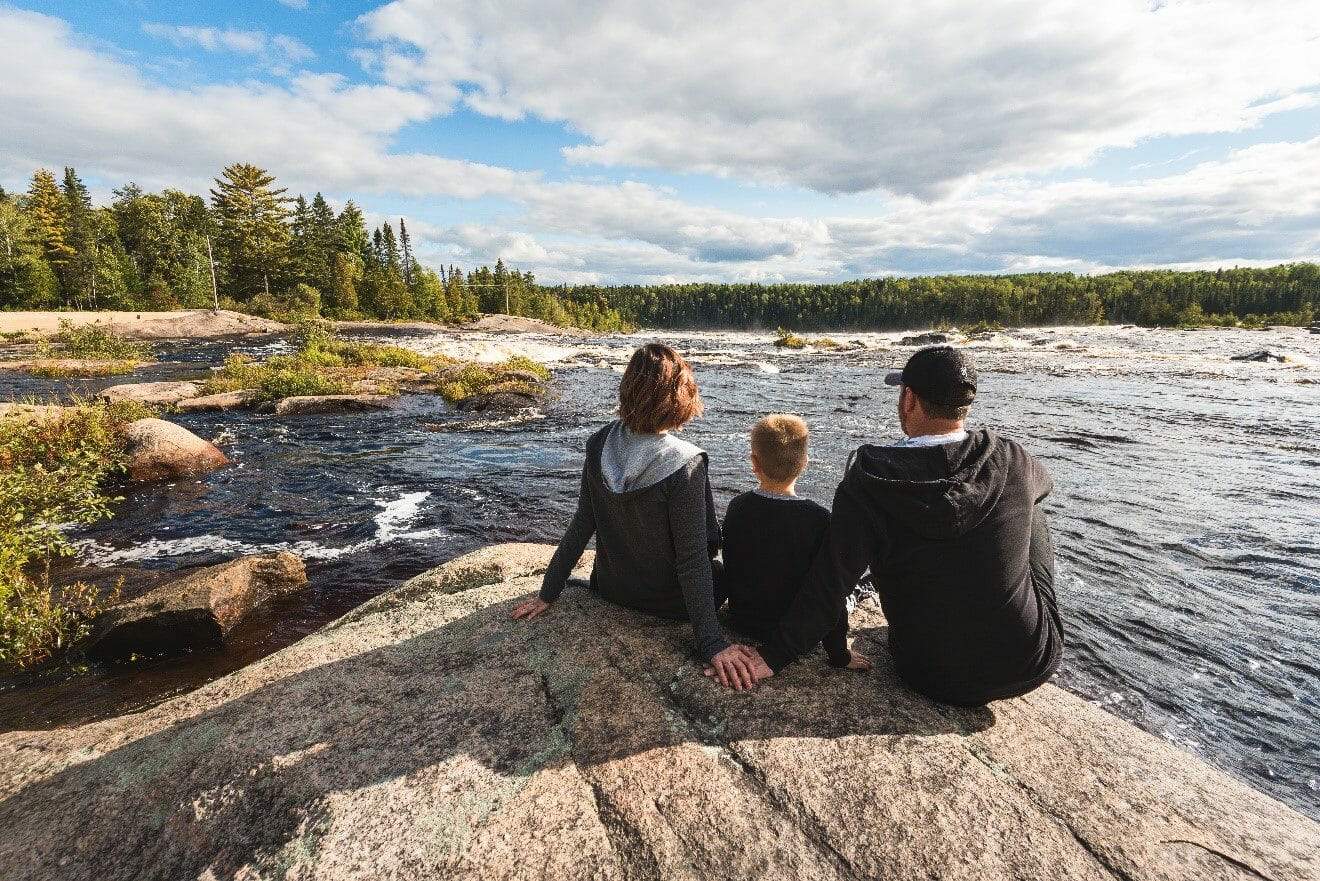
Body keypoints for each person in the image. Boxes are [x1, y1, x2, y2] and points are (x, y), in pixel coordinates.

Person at [730, 346, 1064, 706]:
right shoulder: (1011, 457)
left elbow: (831, 581)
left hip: (927, 671)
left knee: (1026, 506)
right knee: (1032, 507)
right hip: (1028, 663)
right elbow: (1044, 486)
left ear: (908, 399)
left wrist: (773, 657)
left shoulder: (871, 477)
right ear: (965, 404)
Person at [510, 343, 760, 690]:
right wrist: (712, 644)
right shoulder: (685, 463)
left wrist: (548, 593)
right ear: (679, 398)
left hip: (613, 589)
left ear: (628, 389)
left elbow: (583, 523)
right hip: (670, 603)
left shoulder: (599, 443)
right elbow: (692, 560)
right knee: (725, 570)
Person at [720, 414, 871, 671]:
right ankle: (867, 587)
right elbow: (828, 593)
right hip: (794, 630)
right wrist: (839, 654)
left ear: (754, 463)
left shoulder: (737, 507)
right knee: (853, 588)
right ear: (804, 465)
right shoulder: (818, 518)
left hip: (743, 620)